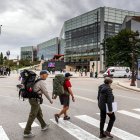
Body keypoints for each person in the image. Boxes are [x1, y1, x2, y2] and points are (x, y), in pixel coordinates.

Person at [23, 70, 53, 138]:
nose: (47, 76)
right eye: (46, 74)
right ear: (42, 74)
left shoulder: (36, 79)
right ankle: (26, 132)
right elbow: (45, 92)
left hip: (33, 99)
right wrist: (50, 100)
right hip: (35, 100)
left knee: (38, 113)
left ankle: (44, 125)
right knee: (32, 115)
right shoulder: (41, 81)